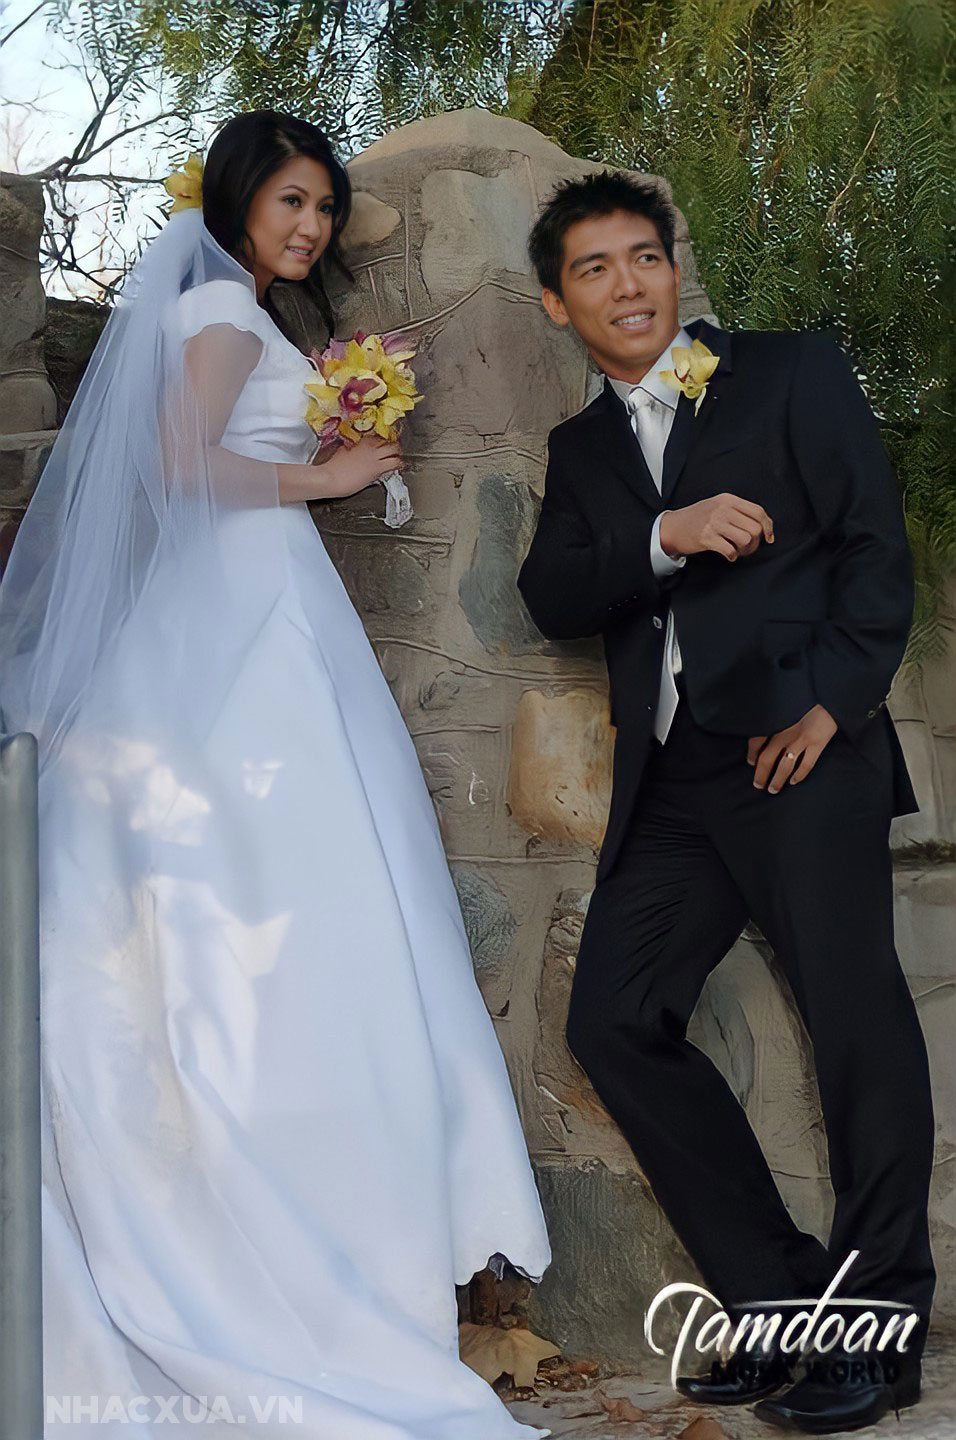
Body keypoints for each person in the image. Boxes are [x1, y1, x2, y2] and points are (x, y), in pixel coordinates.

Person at [0, 111, 551, 1440]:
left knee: (325, 882)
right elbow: (181, 467)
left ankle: (338, 1231)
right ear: (240, 198)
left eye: (324, 207)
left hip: (266, 599)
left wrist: (345, 396)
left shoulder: (242, 318)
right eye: (291, 201)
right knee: (282, 887)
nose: (310, 226)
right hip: (236, 612)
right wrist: (331, 472)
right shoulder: (210, 317)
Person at [517, 171, 935, 1435]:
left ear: (671, 267)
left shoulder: (787, 371)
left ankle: (879, 1330)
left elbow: (871, 547)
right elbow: (553, 592)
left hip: (798, 750)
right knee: (612, 1020)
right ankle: (783, 1297)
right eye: (594, 268)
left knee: (853, 1026)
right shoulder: (580, 451)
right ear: (557, 305)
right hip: (671, 783)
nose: (627, 284)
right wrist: (667, 531)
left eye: (643, 256)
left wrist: (833, 708)